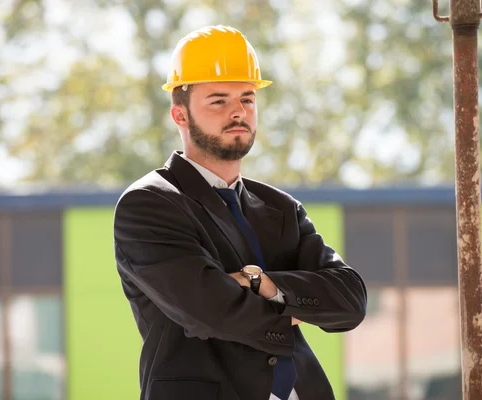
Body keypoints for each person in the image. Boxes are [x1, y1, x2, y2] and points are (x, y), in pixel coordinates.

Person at [113, 25, 367, 400]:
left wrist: (259, 284)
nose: (238, 112)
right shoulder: (149, 204)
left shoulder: (282, 208)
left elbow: (350, 300)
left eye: (247, 99)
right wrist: (295, 303)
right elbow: (208, 311)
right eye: (218, 100)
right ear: (179, 115)